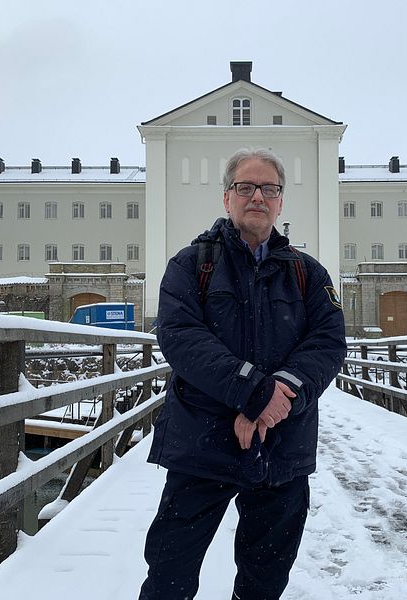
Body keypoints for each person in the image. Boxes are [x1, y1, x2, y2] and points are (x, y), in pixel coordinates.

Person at [139, 148, 346, 600]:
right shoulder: (191, 265)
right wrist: (253, 392)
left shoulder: (308, 273)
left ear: (280, 201)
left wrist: (280, 396)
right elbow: (179, 336)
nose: (258, 196)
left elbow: (329, 343)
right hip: (202, 444)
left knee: (264, 580)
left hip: (281, 447)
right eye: (246, 187)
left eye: (269, 188)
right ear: (227, 198)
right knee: (170, 574)